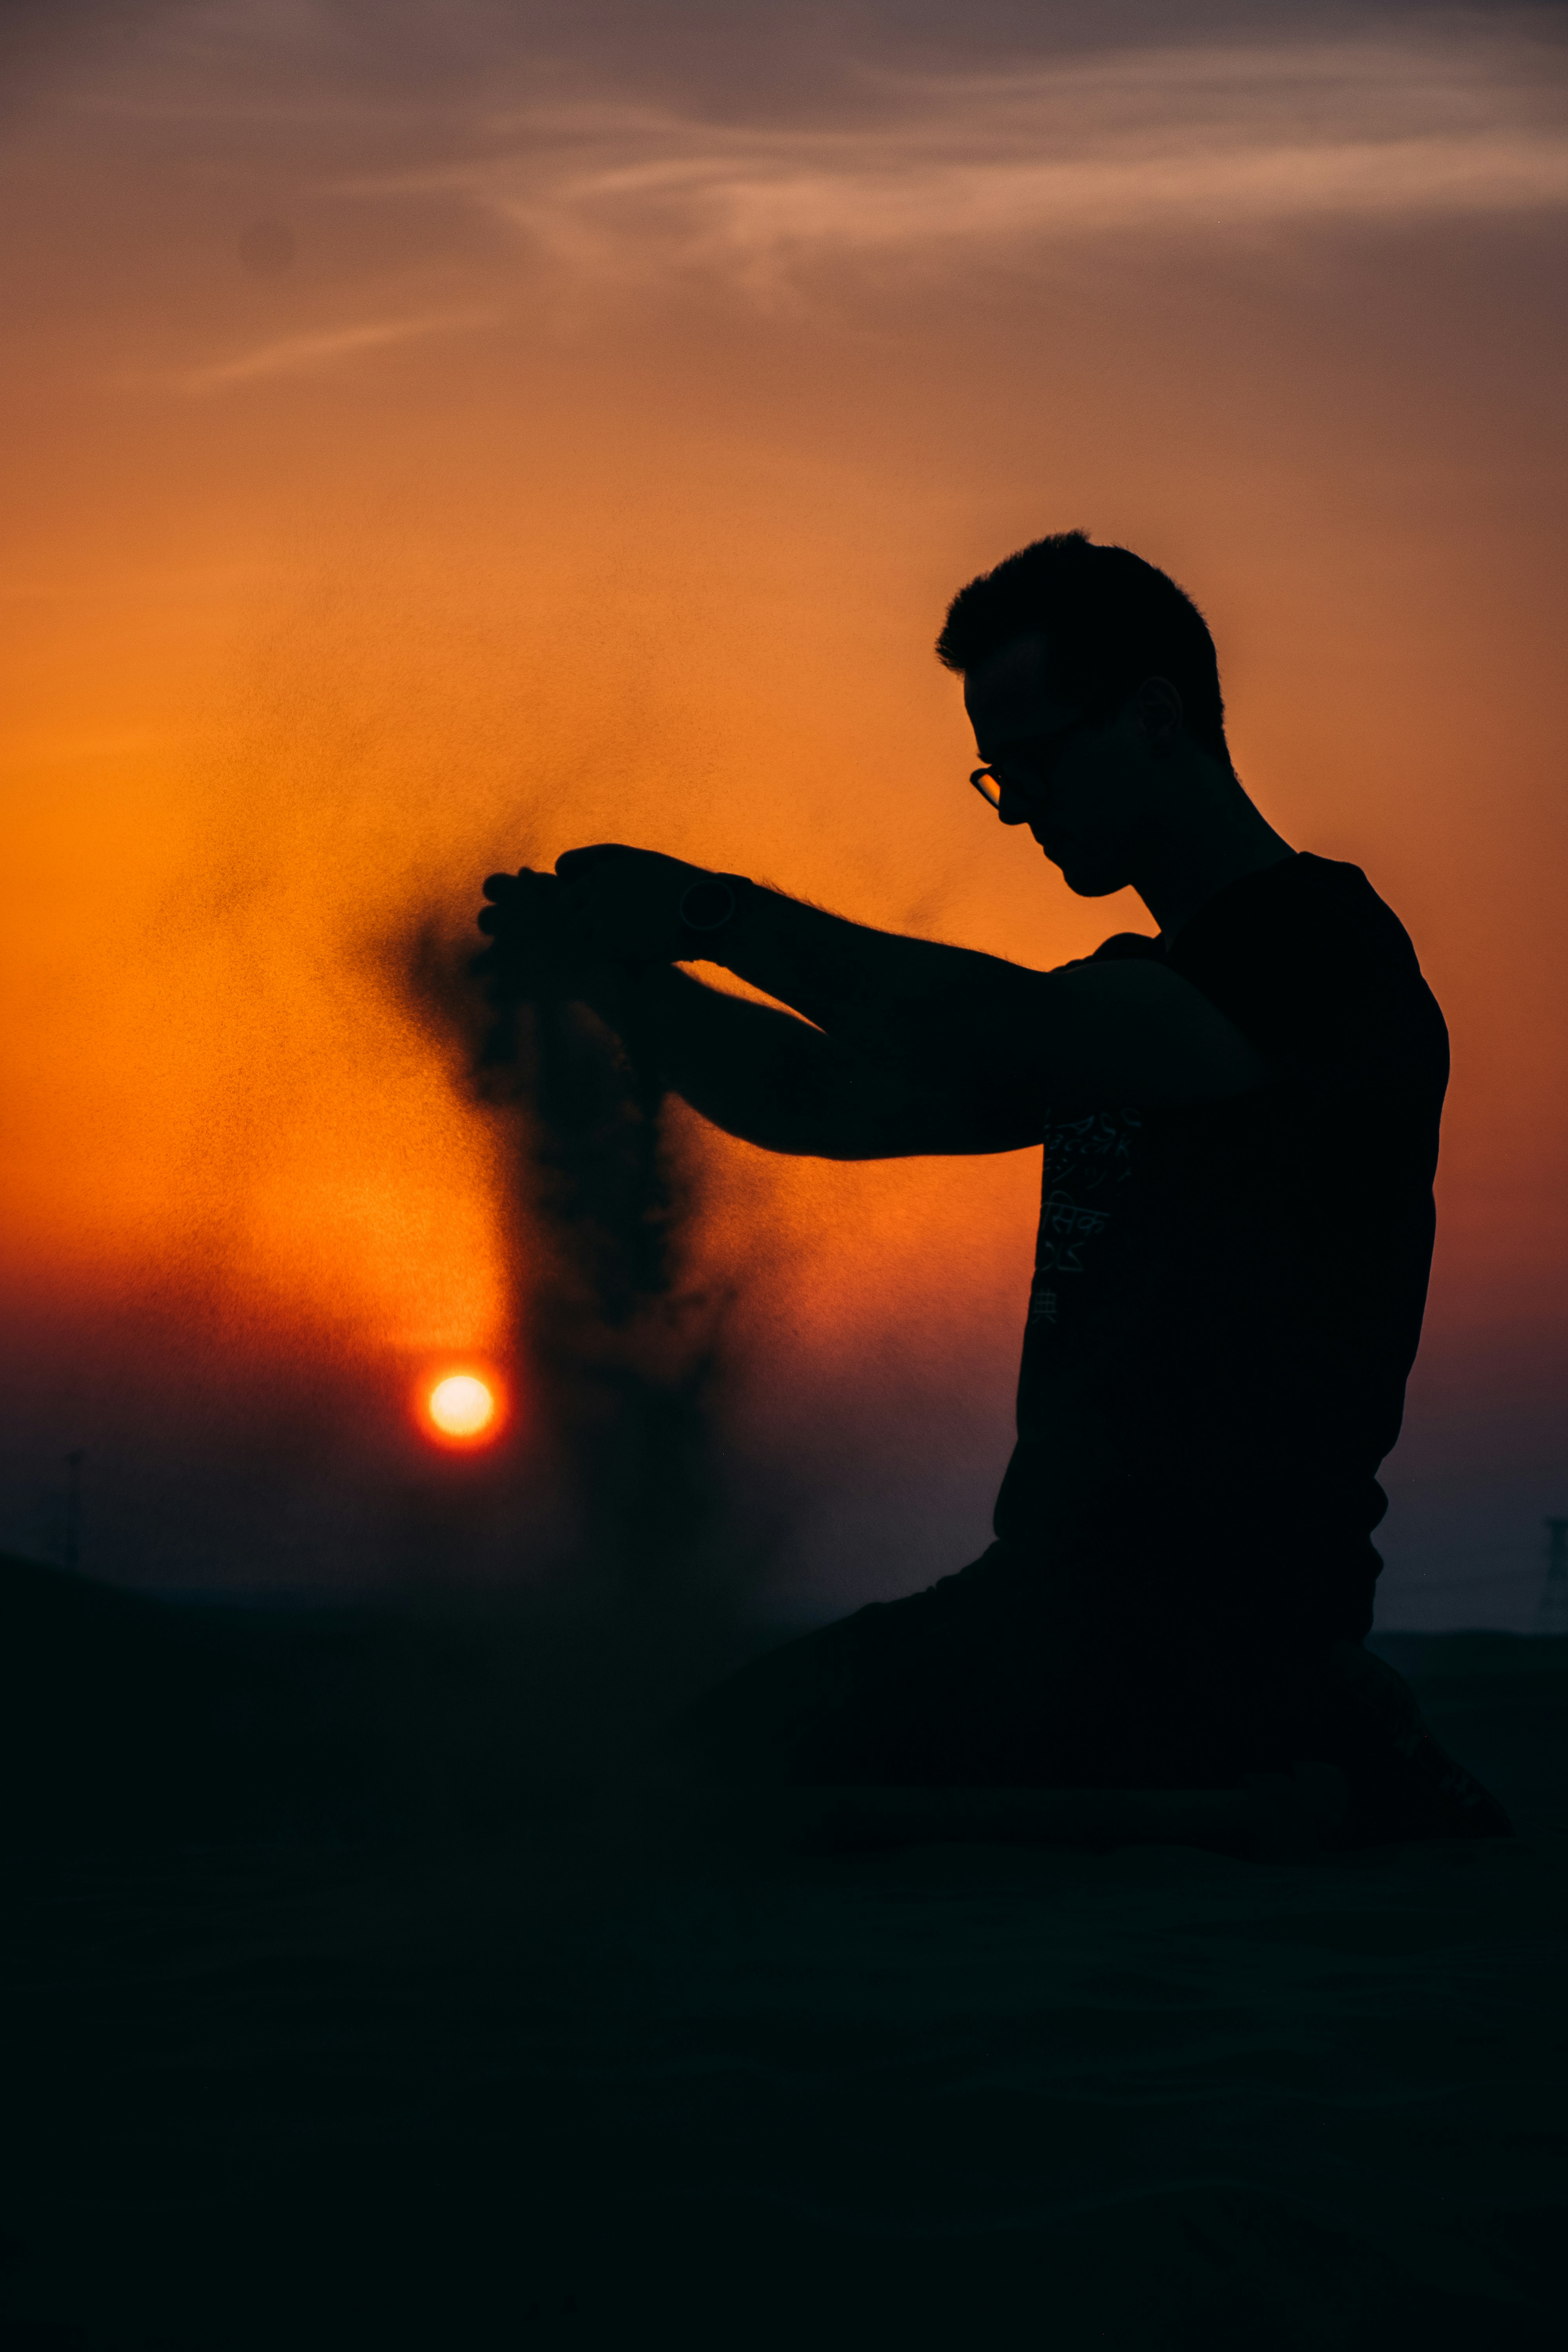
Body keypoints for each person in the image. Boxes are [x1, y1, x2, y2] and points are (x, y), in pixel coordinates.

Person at [477, 530, 1507, 1844]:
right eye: (997, 781)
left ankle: (1313, 1772)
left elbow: (995, 1029)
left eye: (1037, 767)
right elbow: (824, 1101)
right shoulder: (1140, 992)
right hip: (1052, 1615)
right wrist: (617, 986)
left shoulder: (1318, 953)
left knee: (696, 1808)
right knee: (696, 1774)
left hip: (1192, 1636)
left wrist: (713, 917)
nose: (1020, 811)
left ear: (1153, 718)